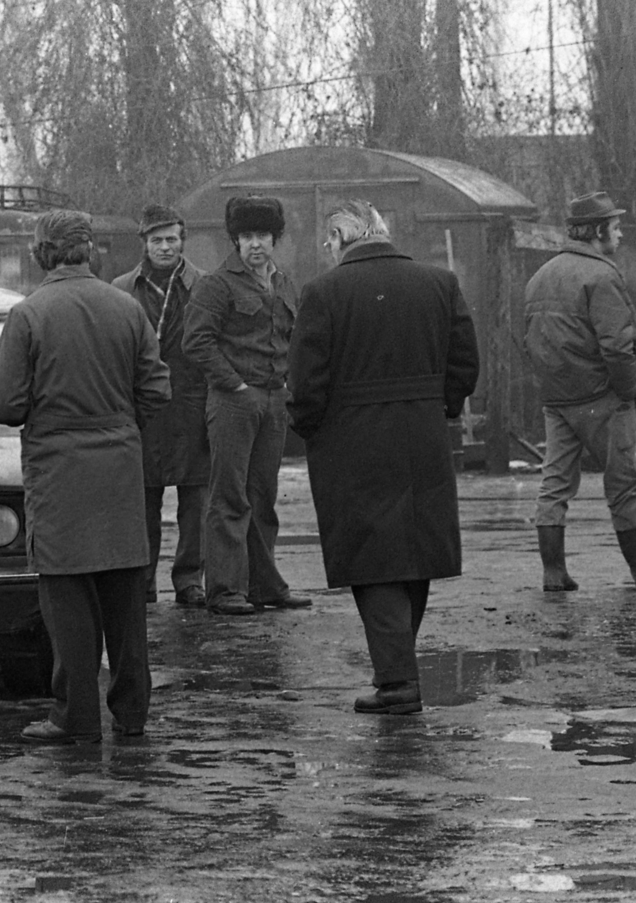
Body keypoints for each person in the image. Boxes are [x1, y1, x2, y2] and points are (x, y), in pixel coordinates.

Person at [0, 208, 171, 743]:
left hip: (58, 471)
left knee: (67, 599)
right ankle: (133, 715)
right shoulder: (126, 307)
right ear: (89, 250)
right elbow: (156, 391)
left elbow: (6, 404)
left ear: (42, 253)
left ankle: (76, 717)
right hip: (119, 467)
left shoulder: (29, 314)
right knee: (125, 595)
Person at [290, 199, 479, 715]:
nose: (327, 252)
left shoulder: (322, 293)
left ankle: (397, 682)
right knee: (414, 549)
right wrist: (440, 406)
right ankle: (396, 669)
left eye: (328, 242)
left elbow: (307, 381)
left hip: (352, 439)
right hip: (422, 433)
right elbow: (465, 362)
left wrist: (309, 428)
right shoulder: (439, 283)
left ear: (340, 236)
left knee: (373, 560)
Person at [182, 195, 311, 616]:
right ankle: (224, 589)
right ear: (235, 241)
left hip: (274, 401)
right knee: (229, 496)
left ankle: (265, 585)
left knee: (263, 495)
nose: (255, 244)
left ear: (276, 239)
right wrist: (234, 385)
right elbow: (196, 342)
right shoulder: (216, 286)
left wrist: (288, 385)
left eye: (263, 236)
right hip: (234, 402)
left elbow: (294, 338)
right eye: (247, 236)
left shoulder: (284, 283)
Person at [522, 190, 636, 590]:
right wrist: (630, 392)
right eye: (616, 227)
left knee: (554, 484)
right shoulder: (602, 276)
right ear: (598, 231)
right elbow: (619, 348)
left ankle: (554, 572)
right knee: (626, 486)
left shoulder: (540, 276)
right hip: (603, 398)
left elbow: (530, 340)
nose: (620, 236)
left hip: (557, 400)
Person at [112, 205, 210, 607]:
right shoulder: (121, 289)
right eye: (157, 240)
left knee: (196, 501)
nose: (165, 247)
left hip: (193, 404)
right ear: (144, 244)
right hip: (144, 409)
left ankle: (190, 581)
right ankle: (144, 580)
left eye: (172, 239)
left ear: (182, 240)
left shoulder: (204, 285)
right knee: (143, 502)